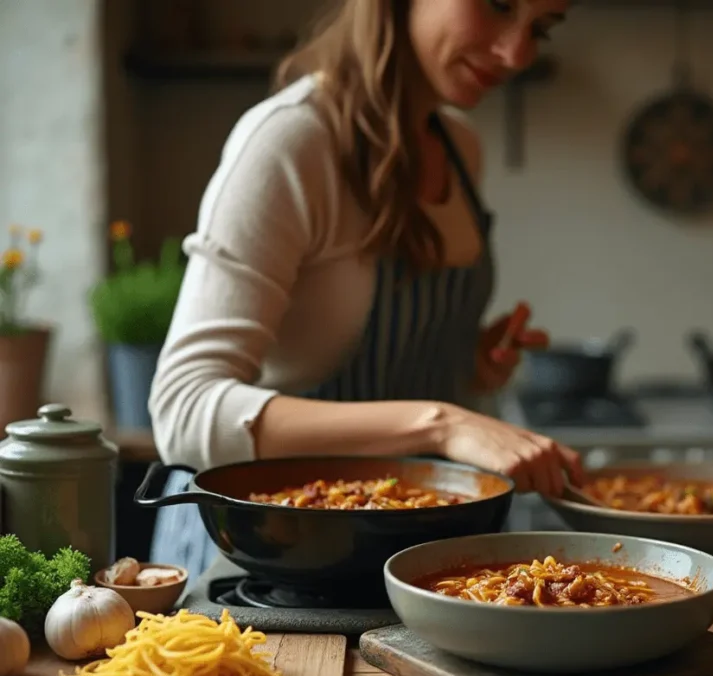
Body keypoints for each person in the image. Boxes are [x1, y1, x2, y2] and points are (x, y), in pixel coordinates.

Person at [148, 0, 580, 579]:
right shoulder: (291, 142)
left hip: (407, 545)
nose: (517, 52)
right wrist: (443, 422)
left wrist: (469, 361)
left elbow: (387, 370)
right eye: (497, 6)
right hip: (268, 553)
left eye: (541, 28)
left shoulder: (459, 145)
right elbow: (182, 410)